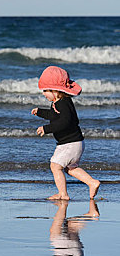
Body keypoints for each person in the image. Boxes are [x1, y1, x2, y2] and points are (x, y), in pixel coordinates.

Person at [31, 66, 100, 200]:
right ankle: (92, 182)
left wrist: (46, 129)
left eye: (45, 90)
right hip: (75, 143)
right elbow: (53, 115)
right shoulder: (60, 102)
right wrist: (40, 112)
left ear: (55, 90)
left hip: (70, 144)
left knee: (55, 166)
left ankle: (63, 194)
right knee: (70, 168)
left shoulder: (63, 104)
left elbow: (64, 122)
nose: (43, 93)